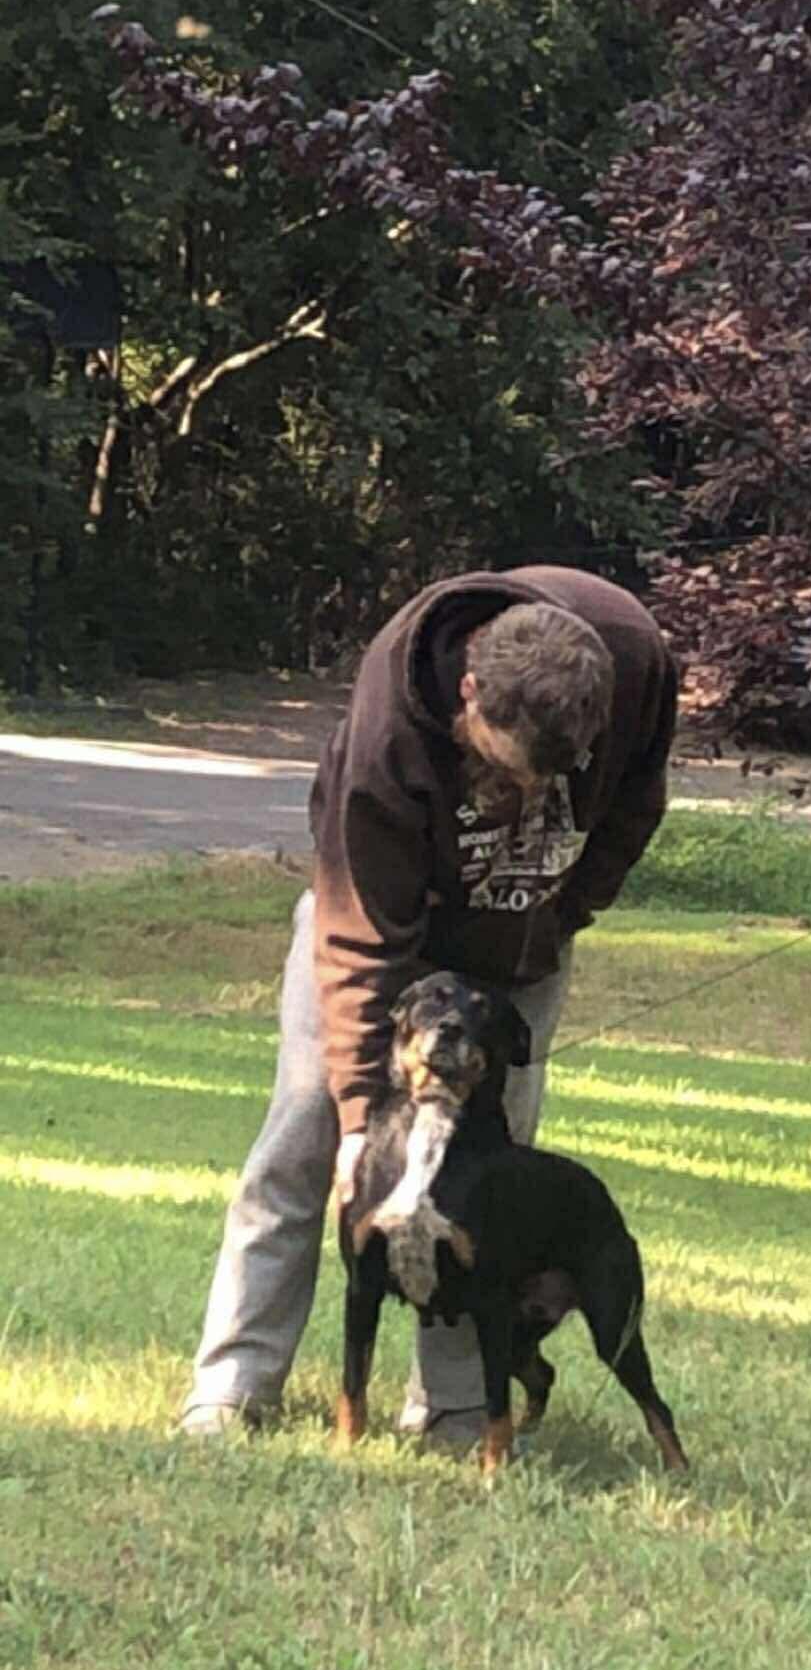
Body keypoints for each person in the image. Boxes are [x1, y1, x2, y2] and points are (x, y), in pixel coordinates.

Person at [180, 565, 678, 1447]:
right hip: (378, 934)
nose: (529, 795)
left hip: (520, 950)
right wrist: (359, 1119)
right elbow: (359, 937)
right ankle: (233, 1385)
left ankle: (451, 1413)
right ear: (471, 692)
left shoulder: (635, 657)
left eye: (552, 781)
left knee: (492, 1181)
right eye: (509, 770)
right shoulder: (392, 726)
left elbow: (637, 807)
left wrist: (560, 916)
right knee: (304, 1137)